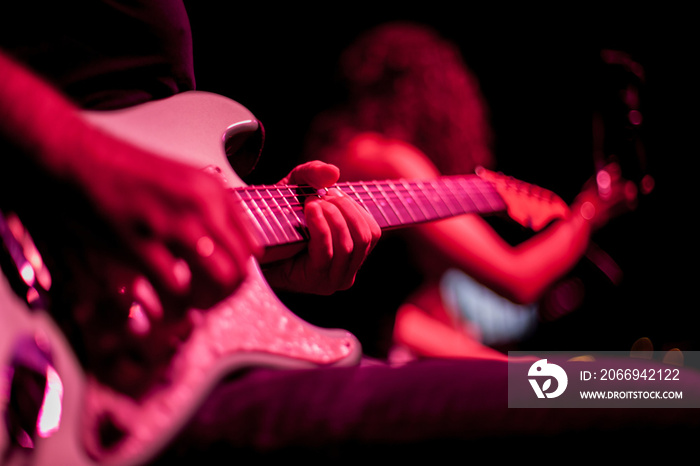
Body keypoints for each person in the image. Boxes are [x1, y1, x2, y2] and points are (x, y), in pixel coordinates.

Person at [1, 4, 699, 464]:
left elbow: (175, 190)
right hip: (65, 331)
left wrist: (261, 259)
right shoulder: (384, 154)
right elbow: (515, 278)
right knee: (643, 387)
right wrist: (86, 160)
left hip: (173, 347)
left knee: (640, 384)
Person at [300, 22, 639, 361]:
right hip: (338, 371)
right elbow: (518, 278)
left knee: (563, 386)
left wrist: (505, 368)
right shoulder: (391, 161)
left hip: (333, 353)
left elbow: (385, 320)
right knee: (637, 389)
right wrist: (589, 212)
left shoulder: (340, 153)